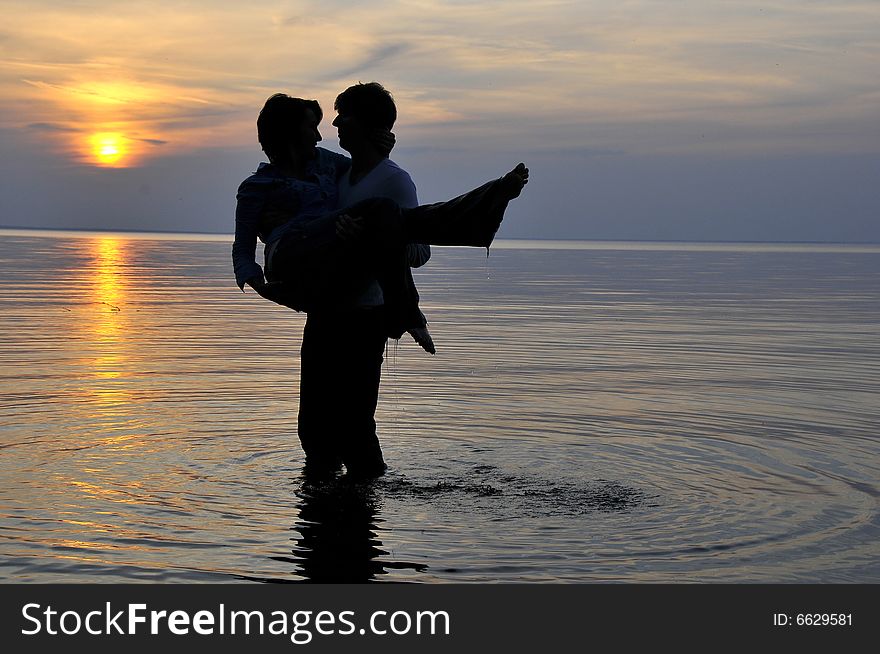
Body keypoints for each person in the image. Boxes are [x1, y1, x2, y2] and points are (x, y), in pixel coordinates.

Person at [233, 93, 528, 478]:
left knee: (349, 427)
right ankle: (472, 218)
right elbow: (242, 250)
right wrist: (263, 288)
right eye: (313, 126)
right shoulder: (258, 185)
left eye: (337, 120)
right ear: (287, 133)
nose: (324, 133)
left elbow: (377, 181)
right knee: (317, 426)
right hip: (295, 260)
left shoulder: (331, 168)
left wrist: (378, 154)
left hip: (356, 310)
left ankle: (355, 506)